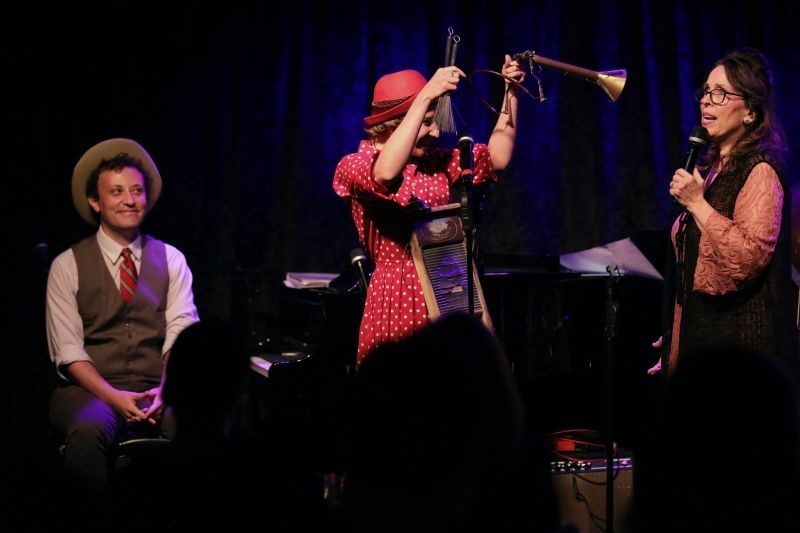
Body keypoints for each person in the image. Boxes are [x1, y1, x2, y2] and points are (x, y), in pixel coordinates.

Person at [333, 55, 524, 365]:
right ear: (395, 125)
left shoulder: (434, 163)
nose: (436, 131)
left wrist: (510, 91)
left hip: (446, 288)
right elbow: (384, 174)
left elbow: (497, 157)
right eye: (426, 121)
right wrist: (425, 96)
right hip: (396, 297)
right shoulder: (354, 165)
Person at [46, 138, 199, 500]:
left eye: (136, 191)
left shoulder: (172, 259)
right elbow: (67, 350)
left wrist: (168, 389)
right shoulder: (67, 265)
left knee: (196, 423)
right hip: (89, 391)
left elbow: (182, 332)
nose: (129, 200)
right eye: (116, 192)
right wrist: (113, 397)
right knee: (89, 429)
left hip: (158, 385)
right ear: (95, 202)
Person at [649, 47, 799, 379]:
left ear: (750, 112)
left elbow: (747, 258)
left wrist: (697, 204)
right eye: (706, 91)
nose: (706, 101)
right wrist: (676, 342)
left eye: (721, 93)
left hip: (745, 353)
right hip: (705, 346)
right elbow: (690, 276)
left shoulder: (760, 170)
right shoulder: (715, 172)